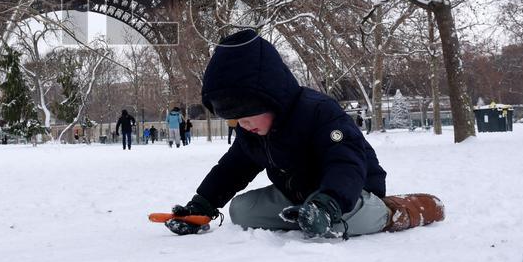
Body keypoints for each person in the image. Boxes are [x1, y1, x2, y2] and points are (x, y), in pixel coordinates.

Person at [165, 29, 445, 238]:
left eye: (248, 117)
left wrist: (329, 202)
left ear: (271, 100)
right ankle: (308, 216)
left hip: (347, 193)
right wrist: (201, 205)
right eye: (236, 120)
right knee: (241, 211)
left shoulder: (319, 112)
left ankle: (396, 211)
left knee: (350, 221)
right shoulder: (253, 132)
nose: (244, 126)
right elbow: (232, 169)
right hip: (296, 196)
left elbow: (345, 163)